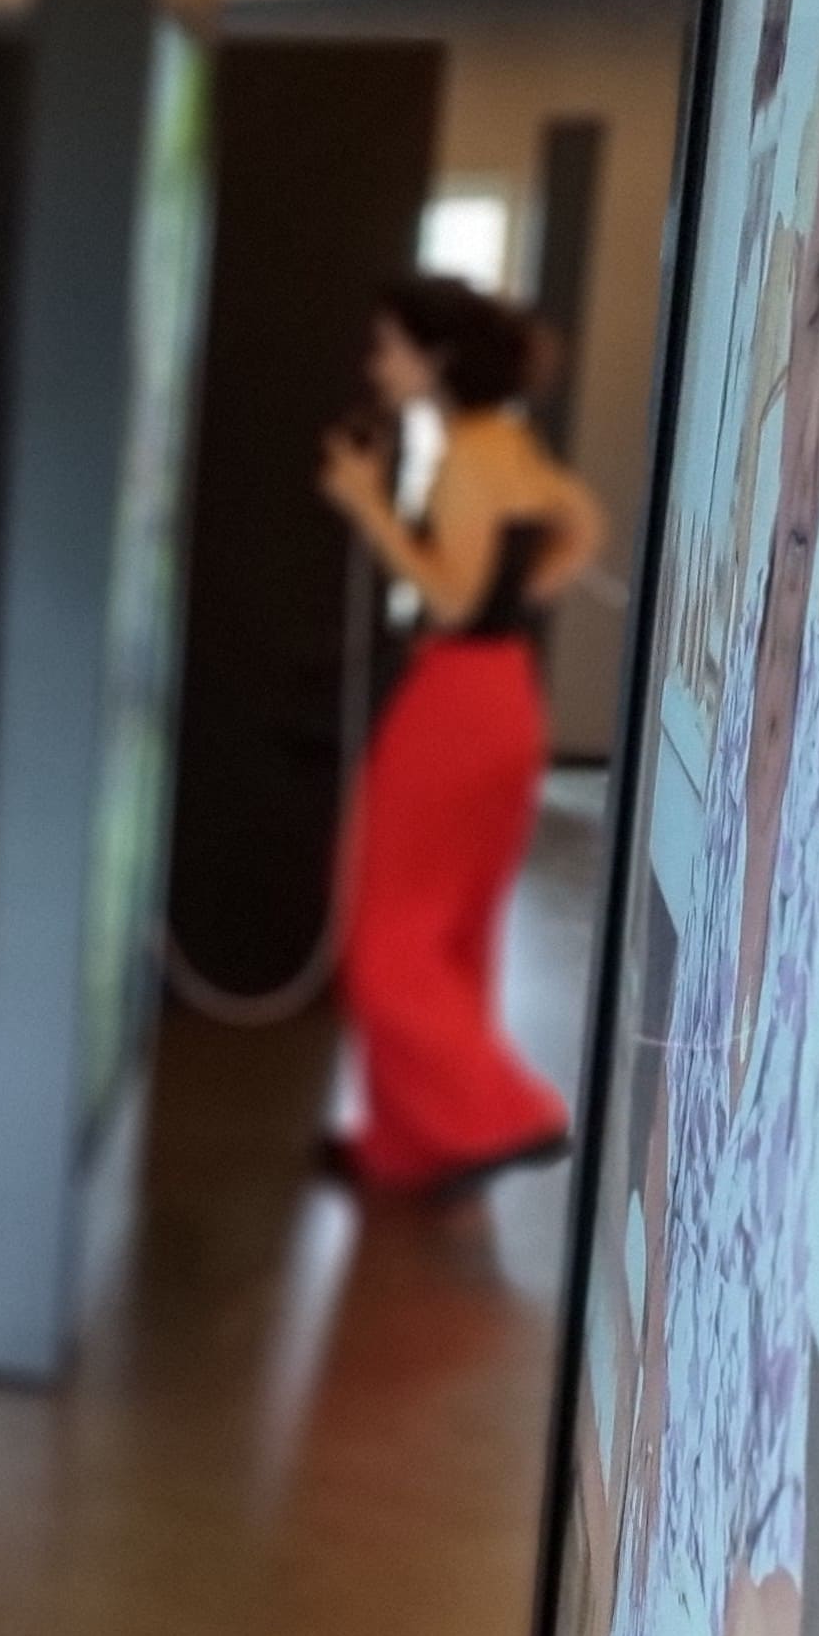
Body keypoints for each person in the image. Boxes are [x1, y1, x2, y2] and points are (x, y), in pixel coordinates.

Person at [315, 271, 606, 1195]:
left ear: (432, 356)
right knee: (452, 932)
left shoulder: (468, 457)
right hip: (503, 689)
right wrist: (525, 597)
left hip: (455, 701)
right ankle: (409, 1146)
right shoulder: (506, 442)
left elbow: (448, 596)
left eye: (388, 346)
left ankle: (506, 1114)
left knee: (386, 938)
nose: (377, 364)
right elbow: (582, 525)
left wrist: (366, 504)